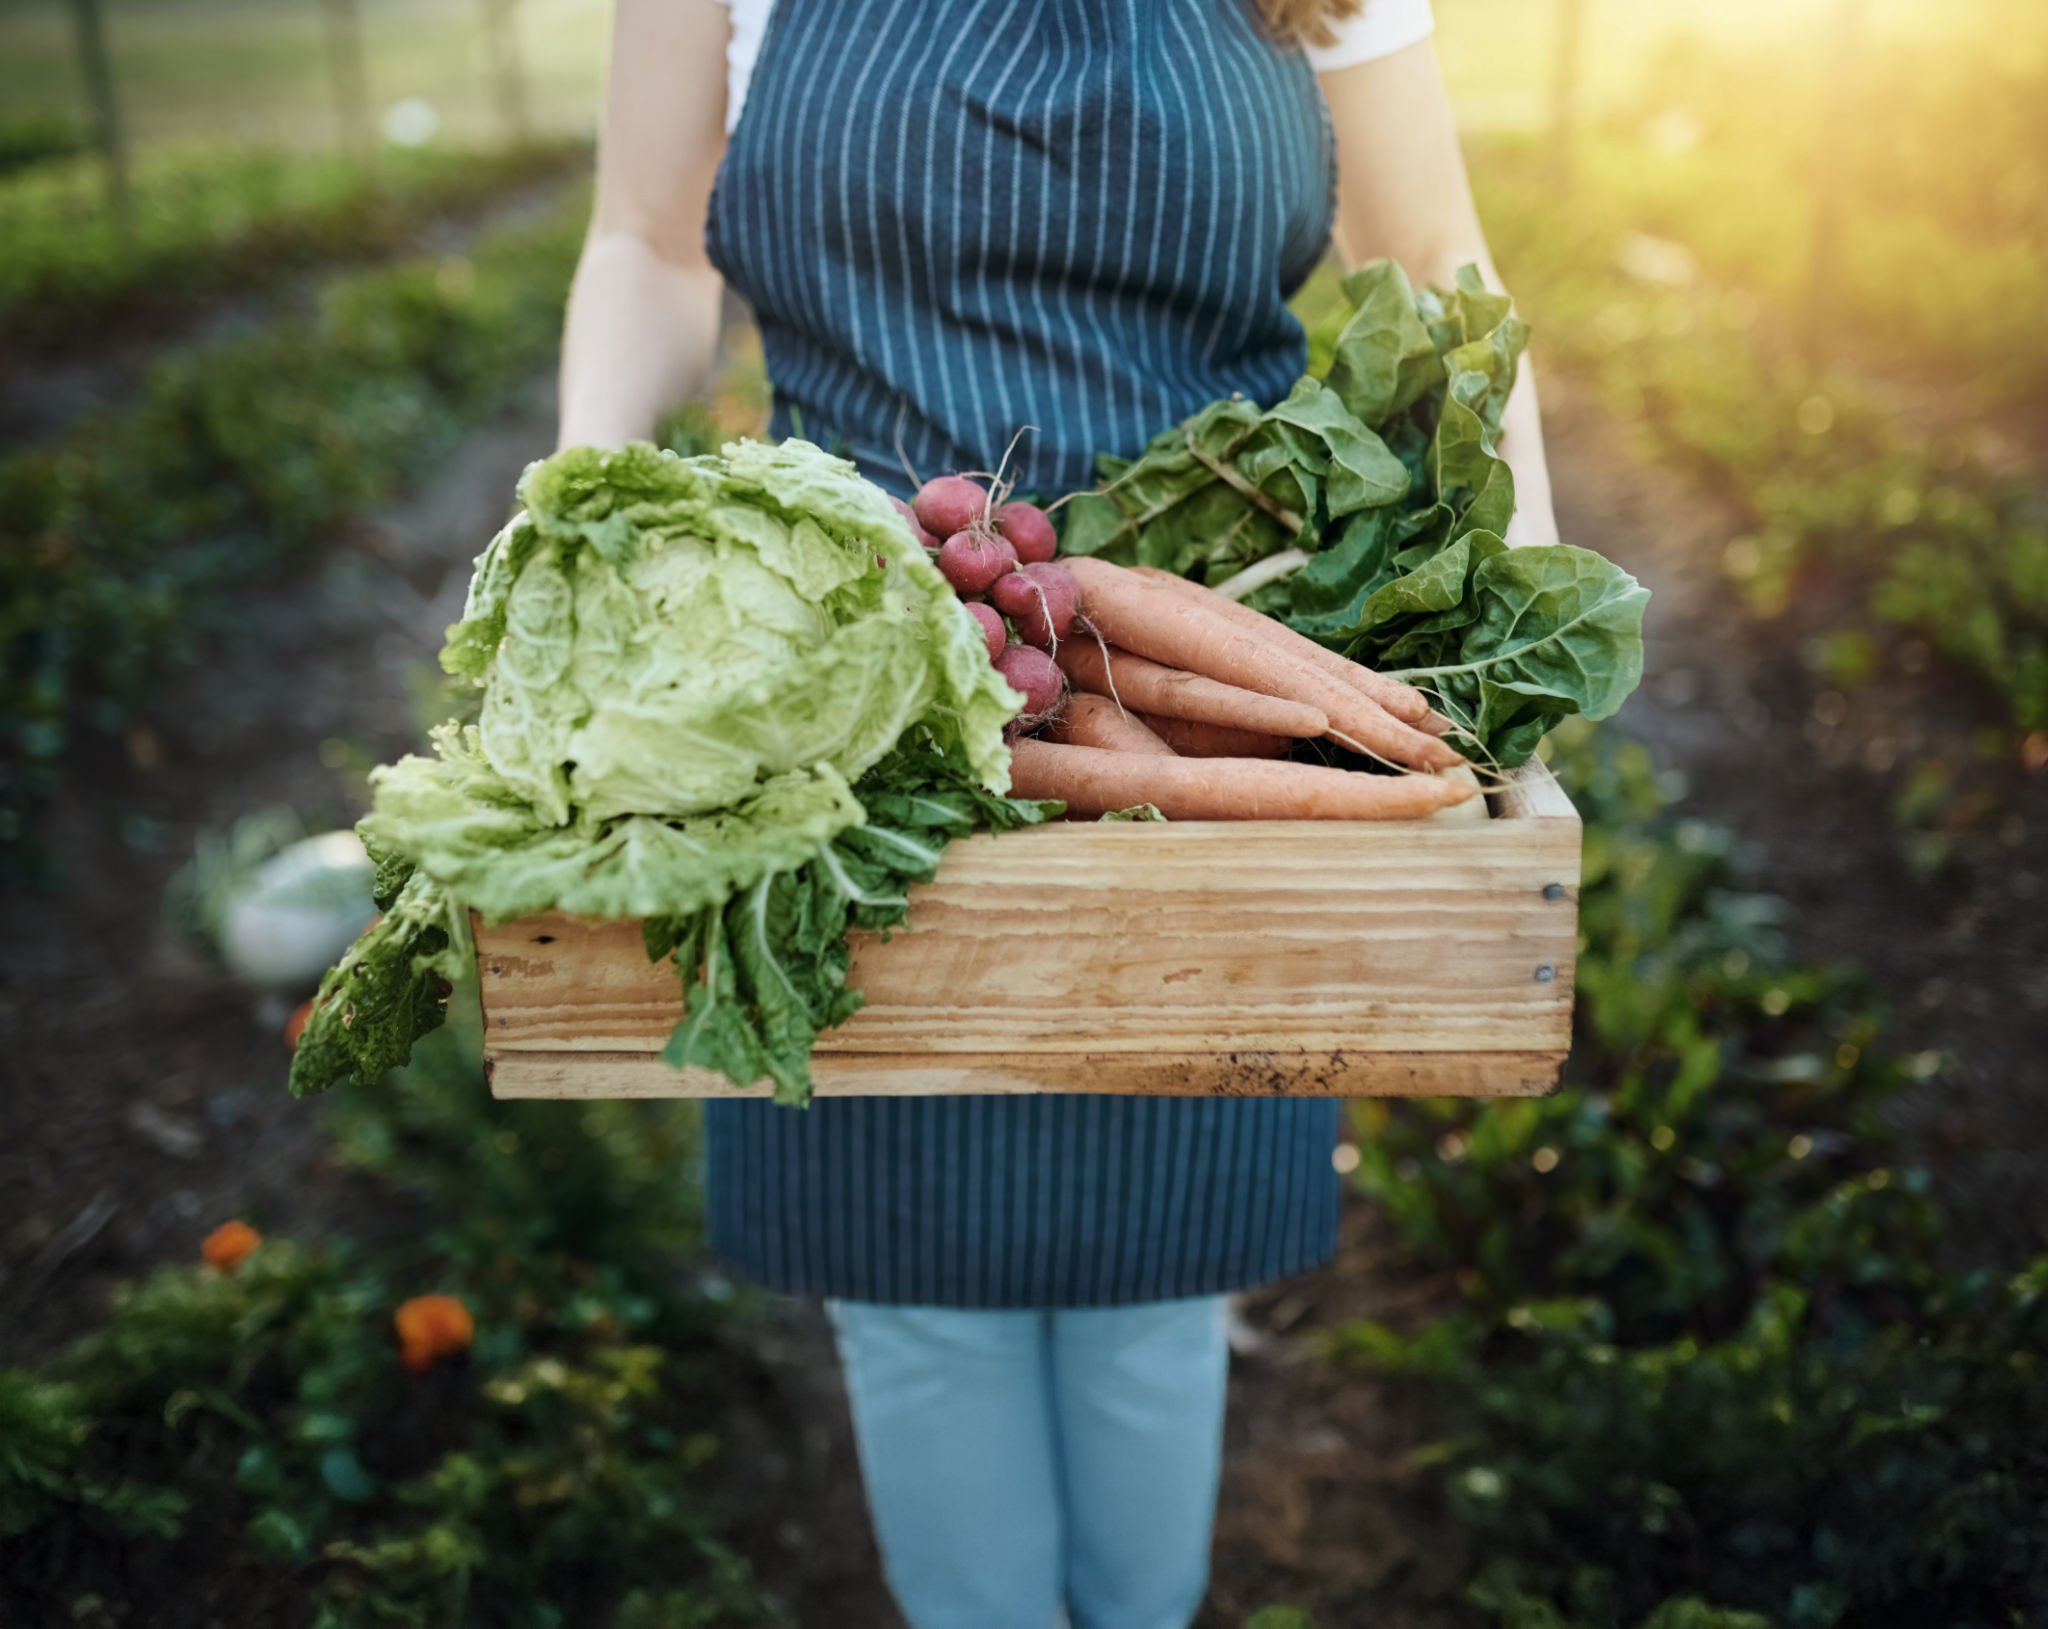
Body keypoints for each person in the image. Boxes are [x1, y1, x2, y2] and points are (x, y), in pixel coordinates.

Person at [555, 3, 1561, 1624]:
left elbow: (1436, 241)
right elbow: (646, 239)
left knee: (1157, 1294)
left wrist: (1514, 607)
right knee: (914, 1301)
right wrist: (578, 507)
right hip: (847, 712)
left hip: (1213, 692)